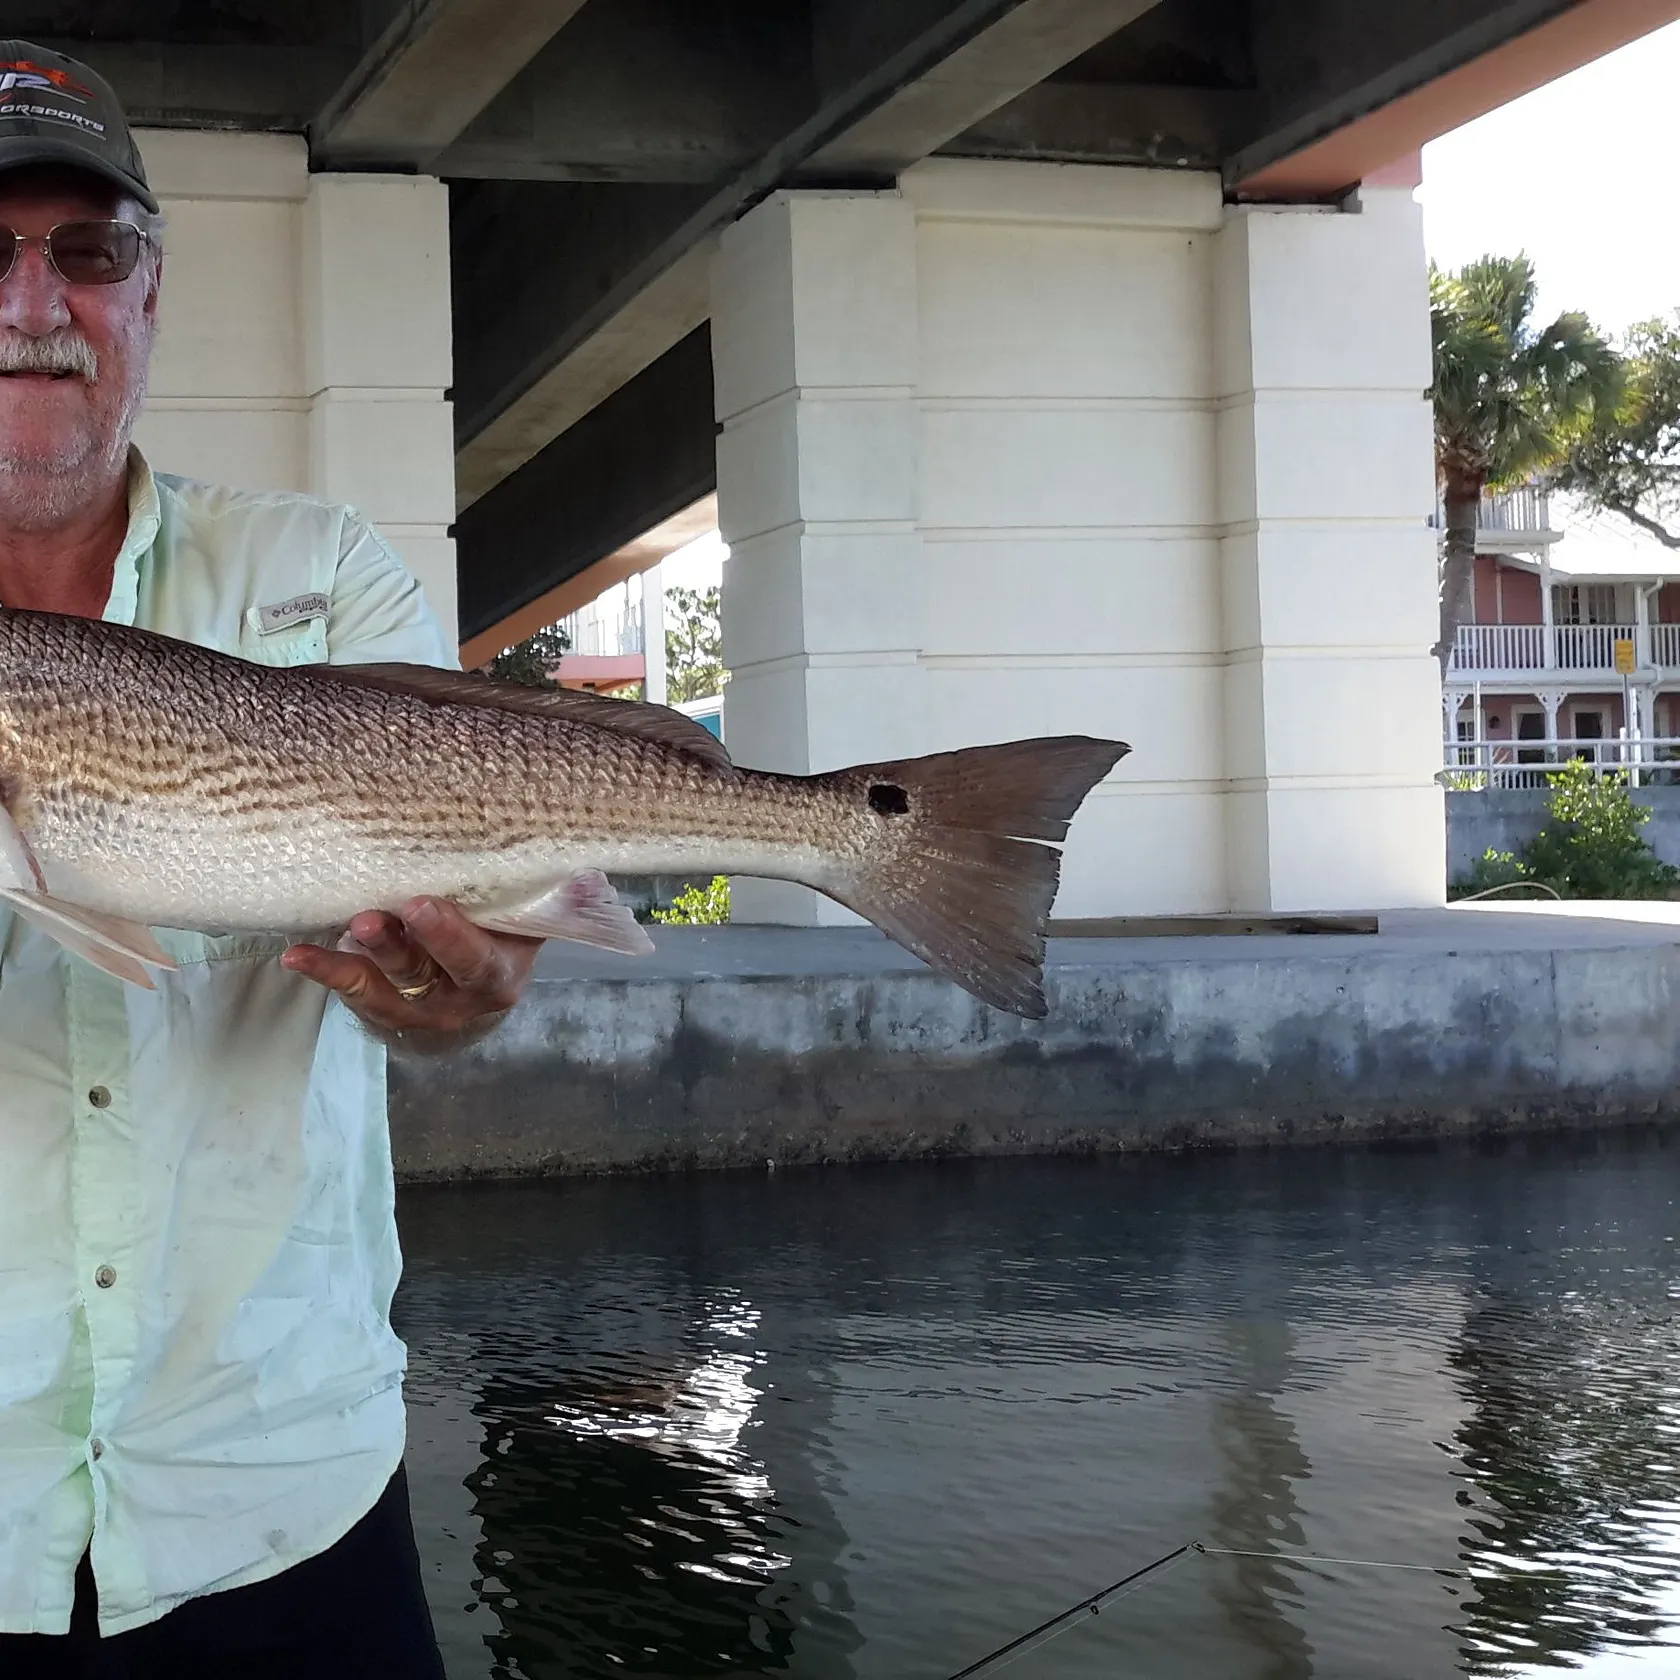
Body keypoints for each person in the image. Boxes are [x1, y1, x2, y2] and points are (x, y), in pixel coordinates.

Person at [0, 40, 538, 1677]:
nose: (35, 302)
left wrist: (457, 994)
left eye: (86, 254)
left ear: (147, 298)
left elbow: (466, 958)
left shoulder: (321, 569)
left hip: (277, 1482)